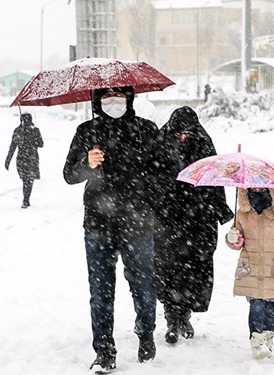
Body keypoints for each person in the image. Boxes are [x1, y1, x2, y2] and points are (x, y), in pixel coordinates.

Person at [63, 86, 174, 372]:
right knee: (100, 291)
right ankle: (104, 351)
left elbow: (168, 169)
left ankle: (146, 333)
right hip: (98, 224)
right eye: (107, 99)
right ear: (98, 102)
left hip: (137, 223)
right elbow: (68, 174)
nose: (114, 104)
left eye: (119, 99)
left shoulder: (145, 130)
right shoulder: (86, 131)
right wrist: (87, 164)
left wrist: (145, 193)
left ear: (130, 100)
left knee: (143, 285)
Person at [154, 106, 235, 344]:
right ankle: (171, 316)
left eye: (187, 135)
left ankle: (185, 314)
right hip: (167, 218)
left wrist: (221, 211)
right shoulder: (159, 142)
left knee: (194, 270)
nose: (182, 139)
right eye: (178, 134)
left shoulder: (204, 144)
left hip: (198, 218)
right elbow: (149, 177)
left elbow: (215, 180)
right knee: (168, 268)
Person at [225, 187, 274, 360]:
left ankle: (268, 339)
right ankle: (257, 341)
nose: (257, 188)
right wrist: (232, 238)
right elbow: (238, 240)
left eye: (261, 185)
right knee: (256, 305)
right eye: (253, 185)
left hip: (273, 269)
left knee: (270, 307)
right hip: (251, 268)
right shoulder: (243, 213)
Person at [5, 113, 44, 208]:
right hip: (30, 158)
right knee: (28, 180)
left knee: (26, 179)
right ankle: (26, 199)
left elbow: (41, 144)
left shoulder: (20, 130)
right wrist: (8, 159)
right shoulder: (30, 130)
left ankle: (26, 199)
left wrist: (8, 160)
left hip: (24, 158)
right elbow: (40, 144)